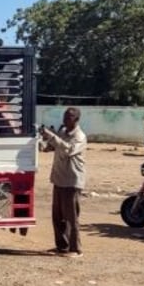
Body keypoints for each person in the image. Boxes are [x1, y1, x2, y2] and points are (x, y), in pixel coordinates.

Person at [39, 107, 87, 258]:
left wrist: (52, 137)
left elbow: (68, 150)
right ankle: (62, 246)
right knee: (58, 216)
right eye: (65, 117)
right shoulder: (62, 133)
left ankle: (75, 249)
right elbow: (49, 148)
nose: (65, 120)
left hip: (71, 181)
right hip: (59, 179)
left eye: (69, 117)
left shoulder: (79, 136)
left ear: (76, 120)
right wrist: (40, 139)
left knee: (71, 217)